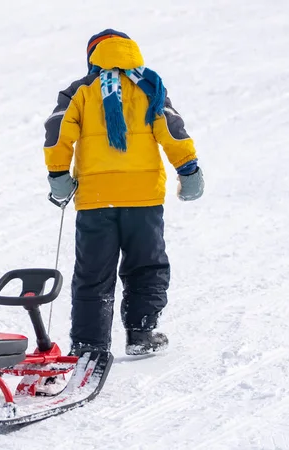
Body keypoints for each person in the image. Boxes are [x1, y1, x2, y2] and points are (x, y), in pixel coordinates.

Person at [43, 29, 204, 356]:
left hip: (96, 200)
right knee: (146, 266)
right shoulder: (150, 86)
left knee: (93, 274)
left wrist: (58, 174)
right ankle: (141, 335)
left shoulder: (80, 91)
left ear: (92, 57)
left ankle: (90, 345)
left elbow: (57, 132)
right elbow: (172, 130)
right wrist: (188, 169)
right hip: (143, 200)